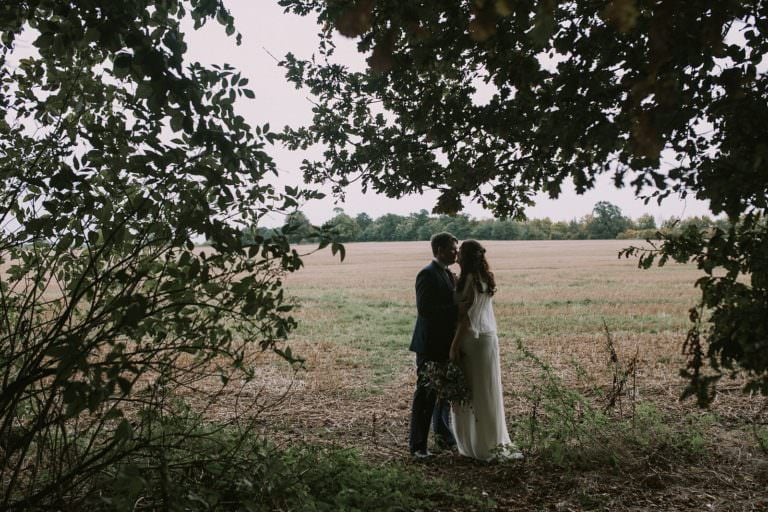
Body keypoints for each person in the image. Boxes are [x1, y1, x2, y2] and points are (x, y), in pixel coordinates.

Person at [449, 240, 523, 461]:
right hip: (487, 340)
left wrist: (453, 347)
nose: (457, 255)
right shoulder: (484, 278)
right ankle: (490, 440)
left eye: (460, 252)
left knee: (472, 393)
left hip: (472, 341)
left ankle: (478, 446)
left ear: (466, 257)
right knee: (486, 391)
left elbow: (466, 320)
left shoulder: (470, 279)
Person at [408, 232, 459, 458]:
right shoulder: (426, 274)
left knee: (444, 394)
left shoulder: (448, 274)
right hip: (429, 345)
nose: (456, 252)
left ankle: (444, 437)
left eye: (456, 249)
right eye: (452, 249)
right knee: (426, 393)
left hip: (445, 344)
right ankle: (418, 446)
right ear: (438, 249)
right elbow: (425, 310)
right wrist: (458, 309)